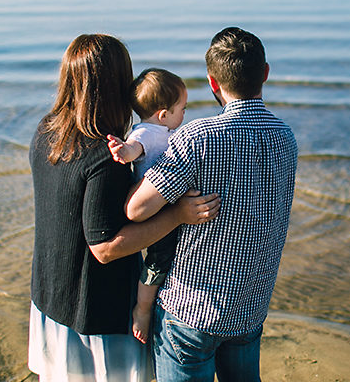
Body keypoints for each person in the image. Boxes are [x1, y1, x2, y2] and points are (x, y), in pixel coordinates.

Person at [28, 34, 220, 382]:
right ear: (115, 85)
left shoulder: (46, 132)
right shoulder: (105, 156)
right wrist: (178, 215)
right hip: (96, 312)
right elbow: (104, 249)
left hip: (49, 295)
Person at [125, 27, 299, 382]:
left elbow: (136, 210)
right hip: (250, 306)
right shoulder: (286, 138)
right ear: (265, 73)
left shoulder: (198, 138)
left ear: (212, 82)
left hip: (192, 311)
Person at [106, 68, 189, 344]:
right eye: (182, 109)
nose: (184, 114)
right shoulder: (148, 132)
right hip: (153, 211)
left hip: (163, 205)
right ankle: (142, 310)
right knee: (157, 261)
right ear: (163, 114)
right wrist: (124, 151)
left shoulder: (162, 130)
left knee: (165, 256)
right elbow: (135, 147)